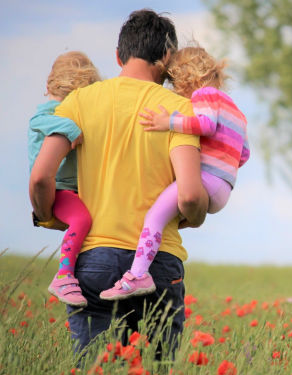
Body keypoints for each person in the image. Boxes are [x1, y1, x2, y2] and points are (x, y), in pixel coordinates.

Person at [29, 9, 208, 356]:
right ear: (167, 57)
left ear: (118, 55)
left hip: (93, 258)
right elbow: (188, 195)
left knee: (94, 374)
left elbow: (40, 176)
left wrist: (48, 214)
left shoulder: (77, 102)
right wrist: (195, 216)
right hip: (158, 263)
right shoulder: (179, 110)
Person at [100, 44, 250, 300]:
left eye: (173, 82)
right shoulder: (236, 110)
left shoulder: (205, 95)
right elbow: (244, 154)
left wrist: (167, 122)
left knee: (154, 216)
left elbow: (205, 125)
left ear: (186, 77)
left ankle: (137, 275)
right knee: (168, 215)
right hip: (224, 187)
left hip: (207, 179)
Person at [28, 51, 100, 307]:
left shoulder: (63, 109)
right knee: (81, 219)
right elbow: (40, 120)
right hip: (58, 188)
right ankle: (64, 275)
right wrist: (71, 128)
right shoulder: (49, 113)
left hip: (72, 188)